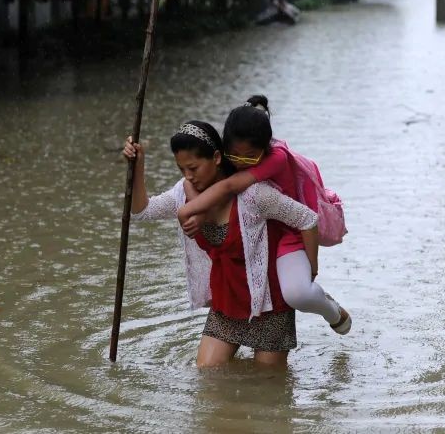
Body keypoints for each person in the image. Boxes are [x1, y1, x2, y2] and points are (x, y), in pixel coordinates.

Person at [124, 121, 320, 368]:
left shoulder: (254, 195)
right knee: (207, 374)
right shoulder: (183, 194)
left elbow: (308, 219)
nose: (188, 176)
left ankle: (330, 308)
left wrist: (311, 270)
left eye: (193, 168)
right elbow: (142, 211)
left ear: (216, 158)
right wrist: (137, 166)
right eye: (182, 169)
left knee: (267, 382)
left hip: (269, 305)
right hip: (227, 303)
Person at [176, 95, 352, 335]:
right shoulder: (229, 158)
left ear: (265, 148)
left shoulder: (276, 157)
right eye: (234, 156)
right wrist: (199, 211)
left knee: (299, 293)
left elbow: (229, 186)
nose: (241, 163)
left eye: (250, 156)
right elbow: (188, 182)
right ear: (224, 150)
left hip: (289, 232)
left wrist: (312, 266)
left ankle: (331, 310)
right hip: (259, 235)